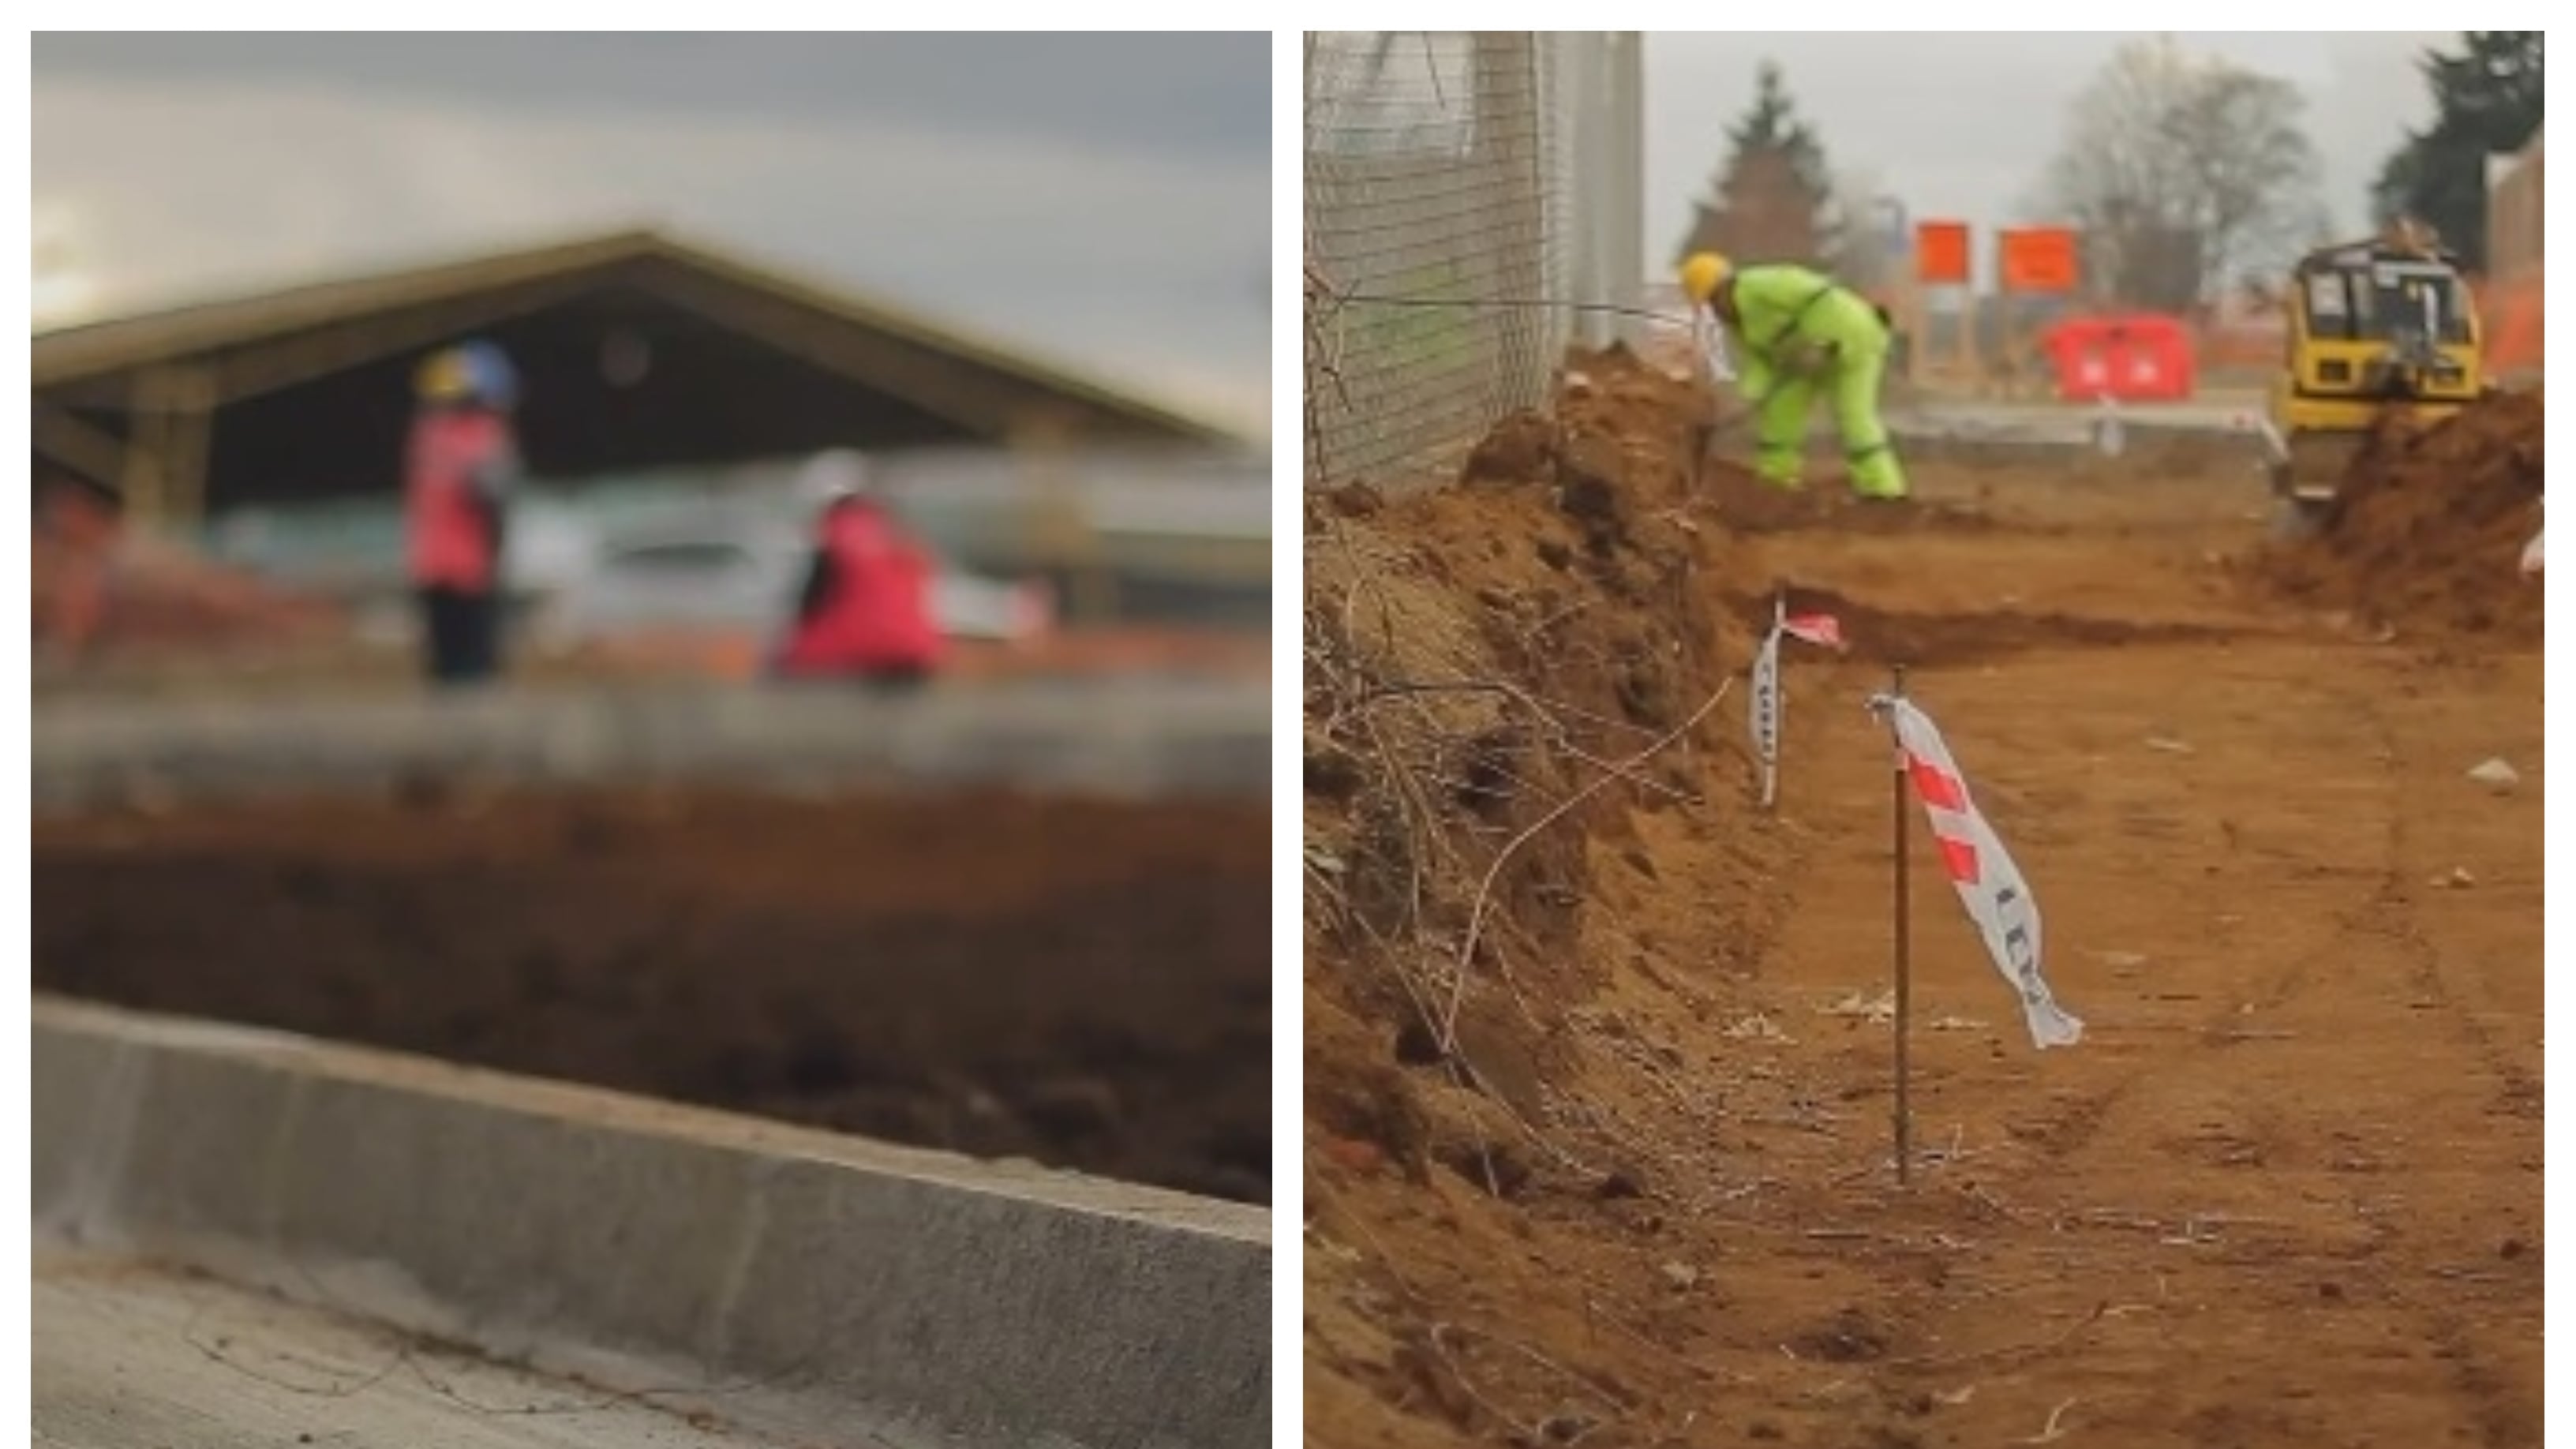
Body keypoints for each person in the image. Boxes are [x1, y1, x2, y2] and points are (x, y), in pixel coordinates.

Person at [1679, 251, 1908, 502]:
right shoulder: (1738, 323)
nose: (1715, 309)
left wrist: (1822, 339)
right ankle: (1776, 487)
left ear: (1725, 286)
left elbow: (1821, 296)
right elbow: (1761, 362)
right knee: (1778, 414)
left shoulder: (1763, 283)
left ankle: (1882, 490)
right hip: (1799, 361)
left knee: (1853, 415)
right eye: (1709, 304)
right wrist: (1748, 399)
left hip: (1852, 339)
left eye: (1713, 299)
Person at [773, 451, 945, 690]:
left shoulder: (831, 538)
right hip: (916, 653)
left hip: (849, 651)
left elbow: (810, 602)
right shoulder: (900, 535)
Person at [405, 339, 522, 685]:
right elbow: (493, 496)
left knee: (446, 666)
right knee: (475, 668)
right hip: (470, 569)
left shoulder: (426, 434)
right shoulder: (483, 435)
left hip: (431, 566)